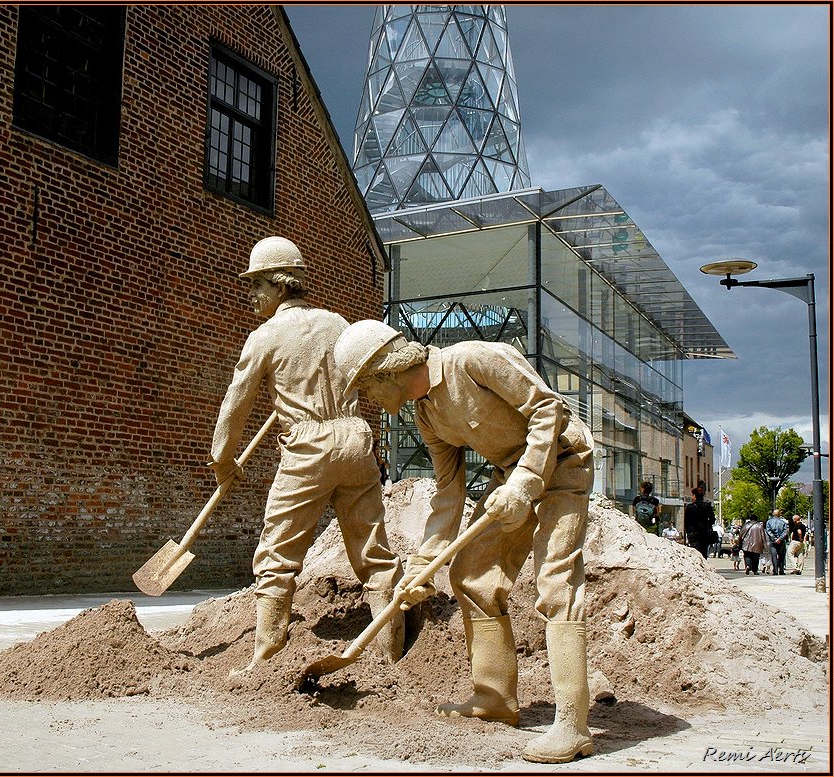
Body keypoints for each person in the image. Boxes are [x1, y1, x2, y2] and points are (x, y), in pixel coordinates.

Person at [333, 320, 596, 764]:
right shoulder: (427, 415)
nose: (371, 401)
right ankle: (494, 698)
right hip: (509, 477)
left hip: (564, 461)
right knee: (471, 574)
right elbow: (448, 493)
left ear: (385, 372)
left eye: (367, 388)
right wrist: (423, 565)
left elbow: (548, 410)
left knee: (555, 579)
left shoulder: (474, 359)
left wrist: (527, 482)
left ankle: (574, 724)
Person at [209, 237, 404, 673]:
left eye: (257, 284)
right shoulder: (337, 323)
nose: (251, 294)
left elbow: (235, 402)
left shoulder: (265, 336)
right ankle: (390, 654)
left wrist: (222, 459)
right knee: (373, 552)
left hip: (308, 450)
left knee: (277, 554)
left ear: (281, 285)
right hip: (356, 442)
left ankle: (265, 659)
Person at [683, 486, 716, 558]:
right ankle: (704, 566)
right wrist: (707, 525)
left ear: (694, 496)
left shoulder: (689, 507)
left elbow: (686, 522)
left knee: (696, 553)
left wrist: (688, 533)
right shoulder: (707, 506)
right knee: (704, 552)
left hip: (693, 534)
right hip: (704, 533)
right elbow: (712, 520)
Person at [764, 509, 789, 575]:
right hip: (781, 541)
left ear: (773, 514)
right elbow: (785, 531)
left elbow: (768, 531)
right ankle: (781, 570)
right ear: (779, 514)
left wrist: (774, 538)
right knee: (781, 556)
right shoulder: (783, 522)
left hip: (773, 542)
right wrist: (780, 539)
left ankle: (775, 570)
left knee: (774, 556)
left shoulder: (769, 522)